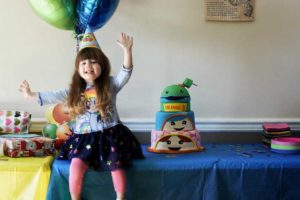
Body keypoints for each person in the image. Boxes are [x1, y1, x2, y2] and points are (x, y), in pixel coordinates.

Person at [19, 29, 145, 200]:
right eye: (83, 63)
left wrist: (127, 50)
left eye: (93, 62)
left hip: (109, 135)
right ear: (78, 68)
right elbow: (53, 95)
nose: (88, 66)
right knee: (76, 166)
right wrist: (32, 95)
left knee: (116, 166)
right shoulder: (75, 90)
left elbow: (126, 73)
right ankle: (75, 197)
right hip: (84, 138)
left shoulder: (110, 84)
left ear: (102, 65)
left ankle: (120, 197)